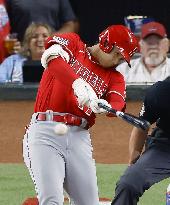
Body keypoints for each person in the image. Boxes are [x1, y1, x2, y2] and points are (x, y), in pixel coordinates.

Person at [22, 25, 139, 205]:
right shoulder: (74, 43)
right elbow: (51, 58)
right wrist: (77, 83)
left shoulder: (115, 77)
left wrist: (106, 106)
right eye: (117, 54)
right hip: (46, 130)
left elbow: (118, 101)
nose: (118, 61)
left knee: (88, 203)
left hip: (79, 137)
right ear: (106, 43)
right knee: (52, 199)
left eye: (122, 59)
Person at [111, 76, 170, 205]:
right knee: (128, 182)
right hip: (165, 147)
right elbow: (142, 124)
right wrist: (135, 153)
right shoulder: (161, 91)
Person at [6, 0, 79, 41]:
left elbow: (71, 25)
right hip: (21, 53)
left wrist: (48, 38)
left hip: (52, 50)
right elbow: (3, 26)